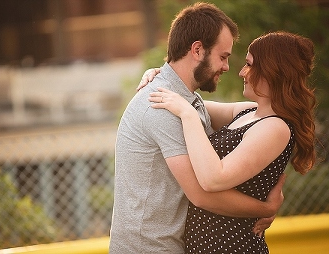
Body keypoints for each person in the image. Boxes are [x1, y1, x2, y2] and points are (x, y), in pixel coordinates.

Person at [110, 3, 284, 253]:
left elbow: (259, 115)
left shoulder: (187, 101)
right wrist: (266, 208)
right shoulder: (161, 106)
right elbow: (202, 195)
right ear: (197, 50)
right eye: (223, 57)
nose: (227, 67)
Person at [144, 31, 316, 253]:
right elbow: (189, 102)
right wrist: (160, 76)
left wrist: (187, 115)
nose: (242, 72)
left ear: (274, 71)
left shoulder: (276, 128)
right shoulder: (248, 112)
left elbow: (213, 179)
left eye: (250, 64)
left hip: (232, 247)